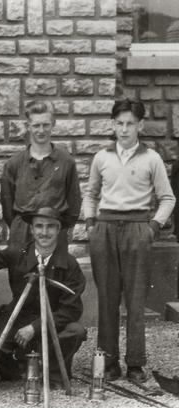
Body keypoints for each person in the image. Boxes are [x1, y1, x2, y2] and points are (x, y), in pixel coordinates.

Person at [82, 98, 176, 383]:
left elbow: (168, 198)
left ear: (140, 125)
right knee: (108, 298)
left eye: (130, 124)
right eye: (119, 123)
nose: (124, 130)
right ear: (113, 125)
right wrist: (90, 223)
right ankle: (108, 363)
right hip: (106, 229)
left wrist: (152, 227)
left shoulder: (151, 158)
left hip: (138, 230)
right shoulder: (102, 157)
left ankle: (135, 364)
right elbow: (91, 193)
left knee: (135, 301)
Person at [0, 207, 87, 382]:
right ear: (32, 229)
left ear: (59, 230)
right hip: (18, 315)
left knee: (75, 331)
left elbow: (71, 311)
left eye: (50, 227)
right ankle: (17, 368)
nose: (44, 232)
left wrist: (35, 327)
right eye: (39, 226)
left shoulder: (70, 265)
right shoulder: (17, 253)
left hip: (52, 320)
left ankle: (54, 373)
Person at [1, 100, 81, 248]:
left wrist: (61, 228)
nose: (41, 130)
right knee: (21, 270)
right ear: (28, 127)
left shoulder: (66, 162)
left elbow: (74, 203)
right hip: (22, 233)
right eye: (36, 125)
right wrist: (20, 226)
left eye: (46, 125)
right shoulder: (14, 163)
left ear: (53, 124)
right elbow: (7, 206)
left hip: (54, 231)